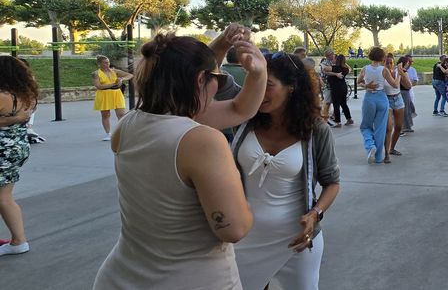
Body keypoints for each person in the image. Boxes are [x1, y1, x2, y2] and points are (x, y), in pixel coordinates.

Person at [93, 32, 267, 288]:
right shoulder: (201, 140)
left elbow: (240, 109)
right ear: (200, 80)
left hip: (121, 277)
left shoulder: (128, 124)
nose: (219, 87)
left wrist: (253, 70)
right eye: (218, 79)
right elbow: (234, 229)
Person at [229, 51, 340, 290]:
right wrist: (228, 42)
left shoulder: (315, 130)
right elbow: (209, 78)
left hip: (296, 242)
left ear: (291, 87)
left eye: (268, 85)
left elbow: (332, 182)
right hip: (245, 239)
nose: (260, 91)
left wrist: (315, 214)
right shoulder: (243, 121)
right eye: (255, 83)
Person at [0, 57, 39, 256]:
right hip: (17, 147)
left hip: (2, 149)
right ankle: (18, 240)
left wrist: (12, 119)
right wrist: (15, 119)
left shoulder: (2, 96)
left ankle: (18, 241)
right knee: (4, 196)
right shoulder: (27, 95)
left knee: (3, 198)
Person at [357, 47, 399, 164]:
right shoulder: (384, 70)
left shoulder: (365, 69)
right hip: (382, 99)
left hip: (369, 98)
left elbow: (358, 82)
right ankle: (379, 157)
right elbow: (395, 85)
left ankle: (370, 145)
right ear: (382, 57)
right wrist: (399, 75)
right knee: (380, 128)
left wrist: (366, 86)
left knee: (365, 126)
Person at [92, 55, 133, 142]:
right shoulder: (95, 74)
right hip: (104, 94)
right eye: (105, 63)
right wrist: (114, 84)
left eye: (108, 62)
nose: (107, 64)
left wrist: (121, 79)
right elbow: (99, 86)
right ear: (99, 64)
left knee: (121, 114)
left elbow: (130, 75)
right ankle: (108, 134)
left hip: (116, 94)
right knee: (105, 115)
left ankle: (121, 133)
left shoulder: (114, 71)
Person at [383, 54, 407, 162]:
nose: (389, 65)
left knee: (398, 126)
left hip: (398, 98)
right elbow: (394, 85)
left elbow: (408, 85)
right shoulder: (382, 72)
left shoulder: (398, 72)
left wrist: (402, 73)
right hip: (386, 99)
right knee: (388, 128)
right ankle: (386, 153)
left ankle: (392, 148)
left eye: (391, 63)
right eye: (387, 63)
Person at [324, 55, 353, 127]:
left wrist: (334, 73)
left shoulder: (334, 68)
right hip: (344, 87)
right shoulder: (345, 69)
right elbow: (350, 69)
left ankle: (338, 122)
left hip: (336, 88)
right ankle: (349, 119)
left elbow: (324, 69)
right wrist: (344, 63)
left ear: (337, 60)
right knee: (344, 104)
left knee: (336, 105)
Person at [399, 55, 416, 134]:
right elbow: (408, 85)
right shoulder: (403, 72)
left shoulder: (399, 70)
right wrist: (409, 84)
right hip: (404, 92)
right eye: (408, 62)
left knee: (408, 109)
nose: (409, 64)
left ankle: (407, 126)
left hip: (403, 91)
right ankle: (403, 127)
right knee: (405, 110)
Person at [319, 50, 336, 125]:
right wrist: (336, 72)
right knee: (327, 102)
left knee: (336, 101)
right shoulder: (324, 63)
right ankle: (324, 118)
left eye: (332, 54)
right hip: (327, 85)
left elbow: (347, 68)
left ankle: (333, 116)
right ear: (326, 56)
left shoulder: (335, 62)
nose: (332, 56)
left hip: (335, 85)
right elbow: (325, 70)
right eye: (330, 55)